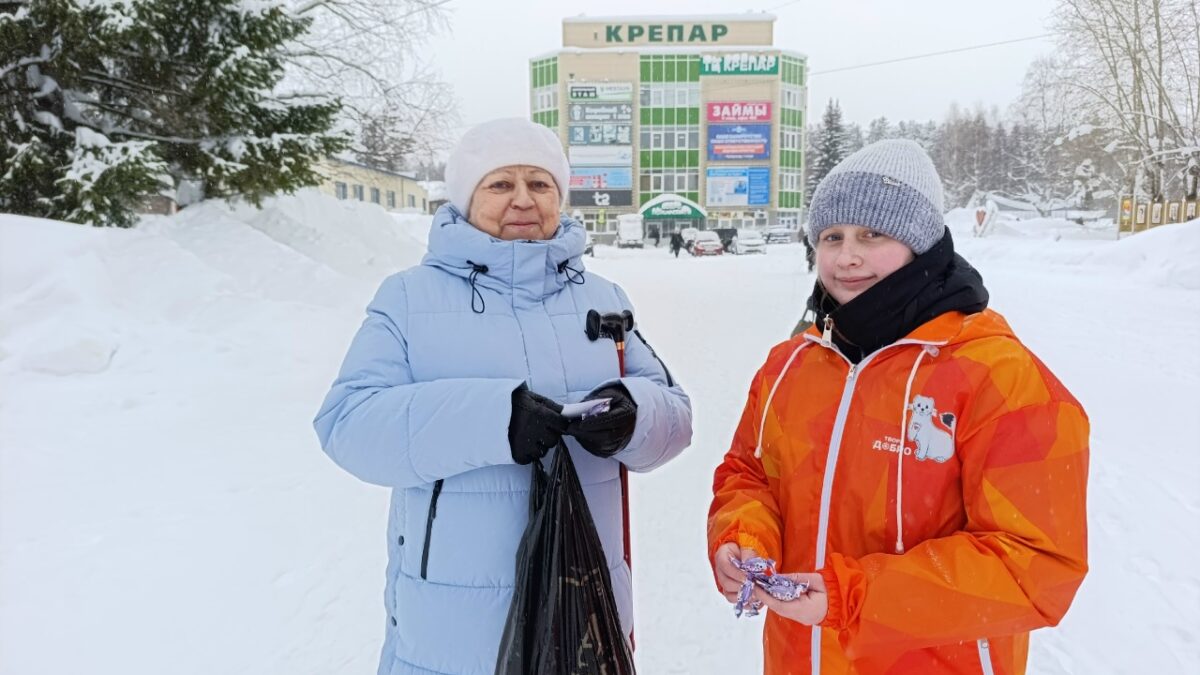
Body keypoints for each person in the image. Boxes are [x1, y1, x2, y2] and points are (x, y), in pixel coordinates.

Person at [315, 118, 693, 675]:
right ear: (467, 198)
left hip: (584, 606)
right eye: (500, 184)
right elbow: (348, 424)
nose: (522, 199)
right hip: (454, 629)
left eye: (540, 184)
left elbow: (676, 415)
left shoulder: (603, 298)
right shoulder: (408, 298)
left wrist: (635, 417)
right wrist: (497, 420)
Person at [707, 140, 1088, 674]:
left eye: (872, 235)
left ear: (921, 245)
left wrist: (856, 596)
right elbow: (748, 475)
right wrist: (744, 539)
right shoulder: (790, 365)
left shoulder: (998, 375)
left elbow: (1037, 564)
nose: (847, 256)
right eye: (831, 237)